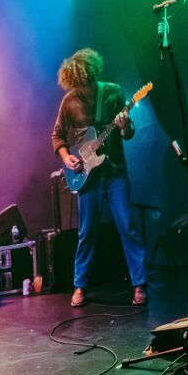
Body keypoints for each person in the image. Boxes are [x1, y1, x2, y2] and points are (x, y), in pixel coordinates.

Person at [51, 48, 149, 307]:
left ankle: (140, 284)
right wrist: (66, 157)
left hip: (115, 170)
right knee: (86, 232)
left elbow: (128, 133)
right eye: (78, 84)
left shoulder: (113, 92)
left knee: (127, 226)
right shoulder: (69, 101)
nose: (82, 87)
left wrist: (124, 125)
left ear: (91, 74)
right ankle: (80, 286)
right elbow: (57, 135)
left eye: (85, 82)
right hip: (87, 175)